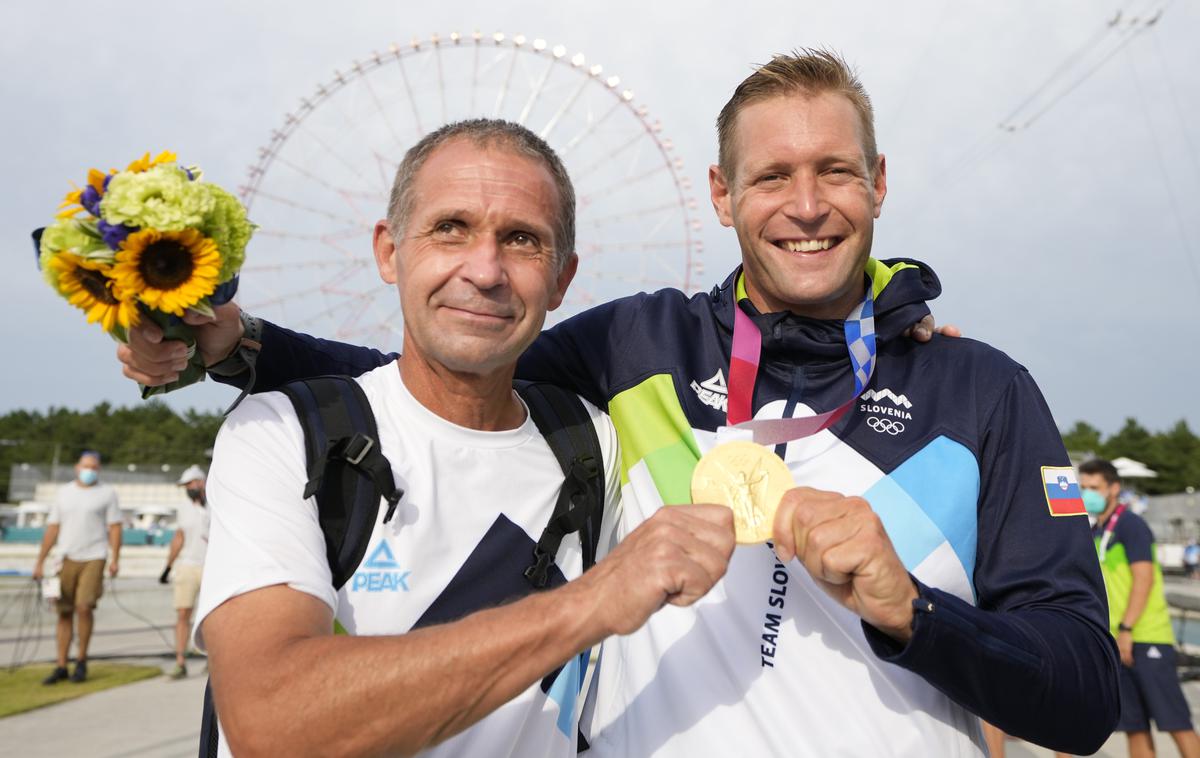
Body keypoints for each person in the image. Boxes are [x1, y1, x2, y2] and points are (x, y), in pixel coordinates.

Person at [116, 51, 1118, 755]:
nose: (806, 205)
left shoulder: (986, 388)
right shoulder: (643, 342)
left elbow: (1082, 695)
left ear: (879, 183)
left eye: (835, 172)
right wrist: (243, 348)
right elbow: (452, 363)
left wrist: (917, 611)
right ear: (722, 195)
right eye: (772, 175)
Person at [191, 119, 736, 757]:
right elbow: (272, 725)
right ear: (389, 251)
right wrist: (594, 601)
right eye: (451, 228)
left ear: (562, 279)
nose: (485, 271)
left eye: (522, 240)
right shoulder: (280, 435)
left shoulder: (593, 442)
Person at [1077, 459, 1200, 758]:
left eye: (1094, 487)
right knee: (1134, 726)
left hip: (1145, 636)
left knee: (1175, 722)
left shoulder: (1131, 526)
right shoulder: (1096, 531)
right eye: (1082, 487)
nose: (1087, 493)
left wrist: (1128, 629)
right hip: (1117, 641)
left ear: (1114, 488)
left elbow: (1143, 579)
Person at [32, 451, 122, 684]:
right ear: (77, 467)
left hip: (94, 556)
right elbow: (53, 527)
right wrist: (40, 561)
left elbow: (114, 527)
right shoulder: (64, 493)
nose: (89, 470)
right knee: (63, 612)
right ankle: (61, 664)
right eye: (86, 466)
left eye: (94, 467)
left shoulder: (107, 493)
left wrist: (115, 558)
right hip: (65, 557)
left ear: (99, 469)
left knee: (84, 607)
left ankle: (81, 660)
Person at [160, 464, 210, 680]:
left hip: (211, 564)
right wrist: (168, 566)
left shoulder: (216, 503)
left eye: (190, 483)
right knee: (183, 613)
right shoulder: (183, 508)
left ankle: (213, 661)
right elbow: (179, 537)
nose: (188, 488)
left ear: (201, 482)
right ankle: (180, 661)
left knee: (211, 615)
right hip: (188, 564)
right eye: (186, 485)